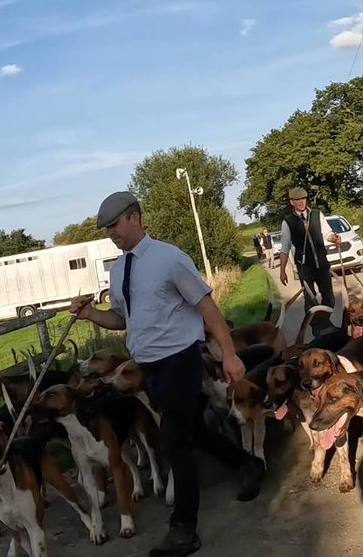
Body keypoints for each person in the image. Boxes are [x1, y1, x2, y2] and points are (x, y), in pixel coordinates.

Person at [72, 191, 244, 557]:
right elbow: (123, 319)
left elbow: (208, 308)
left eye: (115, 226)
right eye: (107, 230)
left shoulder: (169, 259)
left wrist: (229, 354)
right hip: (149, 367)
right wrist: (91, 315)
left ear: (134, 217)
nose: (111, 235)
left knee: (174, 441)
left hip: (180, 360)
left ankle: (184, 529)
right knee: (191, 430)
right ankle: (247, 465)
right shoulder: (118, 271)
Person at [277, 187, 341, 332]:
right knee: (310, 300)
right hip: (305, 267)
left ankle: (325, 324)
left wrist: (334, 239)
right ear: (292, 202)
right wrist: (282, 271)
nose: (301, 202)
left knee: (329, 297)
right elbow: (284, 248)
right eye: (297, 200)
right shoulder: (288, 222)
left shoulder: (317, 215)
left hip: (322, 264)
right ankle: (317, 329)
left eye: (303, 199)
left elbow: (327, 234)